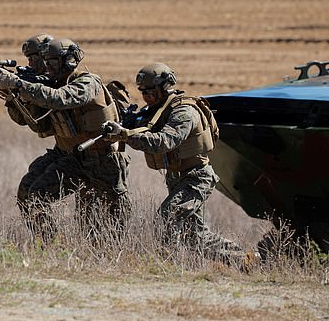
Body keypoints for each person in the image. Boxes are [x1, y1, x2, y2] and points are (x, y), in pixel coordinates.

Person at [0, 38, 131, 243]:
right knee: (33, 196)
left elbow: (61, 98)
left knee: (99, 225)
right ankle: (50, 245)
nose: (47, 67)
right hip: (73, 158)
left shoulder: (87, 82)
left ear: (70, 61)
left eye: (53, 62)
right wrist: (11, 93)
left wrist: (18, 83)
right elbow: (37, 124)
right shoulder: (52, 83)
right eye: (45, 62)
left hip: (102, 162)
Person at [103, 63, 245, 261]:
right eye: (143, 92)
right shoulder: (155, 110)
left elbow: (165, 142)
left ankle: (167, 266)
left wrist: (125, 135)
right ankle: (244, 260)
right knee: (195, 236)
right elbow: (140, 131)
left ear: (164, 87)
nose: (146, 97)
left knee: (166, 218)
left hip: (196, 178)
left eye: (151, 92)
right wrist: (123, 127)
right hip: (177, 178)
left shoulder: (184, 112)